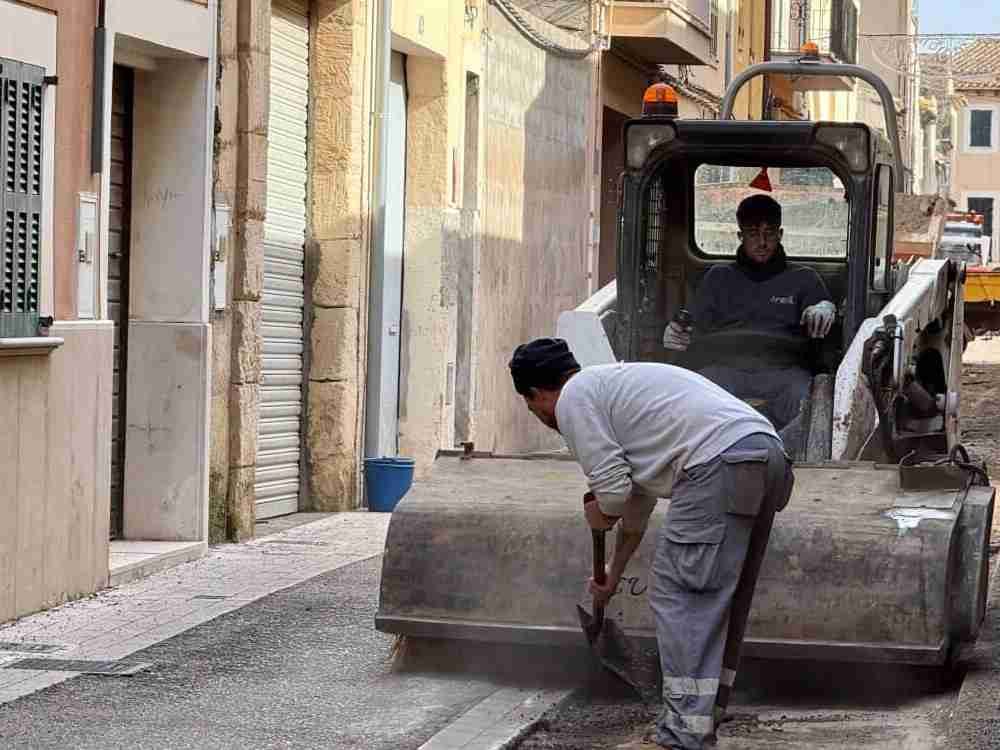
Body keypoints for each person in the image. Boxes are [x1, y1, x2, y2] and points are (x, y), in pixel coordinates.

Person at [509, 338, 794, 750]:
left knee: (682, 596)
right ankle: (706, 712)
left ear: (536, 394)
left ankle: (681, 735)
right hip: (765, 455)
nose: (539, 415)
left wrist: (600, 511)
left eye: (531, 406)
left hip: (716, 462)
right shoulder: (615, 393)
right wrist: (613, 573)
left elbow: (613, 494)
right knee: (722, 595)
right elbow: (636, 505)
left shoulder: (574, 399)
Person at [663, 194, 837, 428]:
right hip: (725, 368)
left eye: (769, 233)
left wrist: (824, 308)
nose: (762, 242)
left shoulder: (804, 278)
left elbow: (821, 307)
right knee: (694, 397)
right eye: (753, 234)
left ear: (780, 234)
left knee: (808, 400)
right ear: (740, 236)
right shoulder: (718, 278)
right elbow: (692, 324)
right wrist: (675, 333)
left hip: (785, 371)